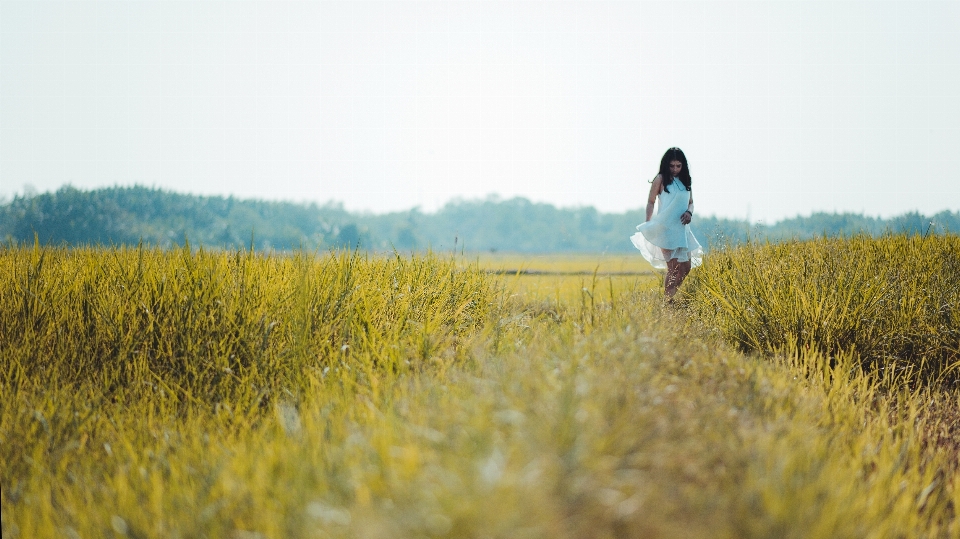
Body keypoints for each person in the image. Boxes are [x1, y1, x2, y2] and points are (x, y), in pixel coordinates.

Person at [630, 147, 703, 300]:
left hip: (683, 229)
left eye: (678, 166)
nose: (675, 169)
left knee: (686, 268)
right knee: (674, 269)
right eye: (672, 166)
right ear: (666, 165)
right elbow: (651, 202)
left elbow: (691, 203)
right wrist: (649, 224)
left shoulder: (686, 181)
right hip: (665, 229)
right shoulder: (661, 179)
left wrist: (689, 212)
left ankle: (669, 297)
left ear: (683, 165)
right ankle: (667, 301)